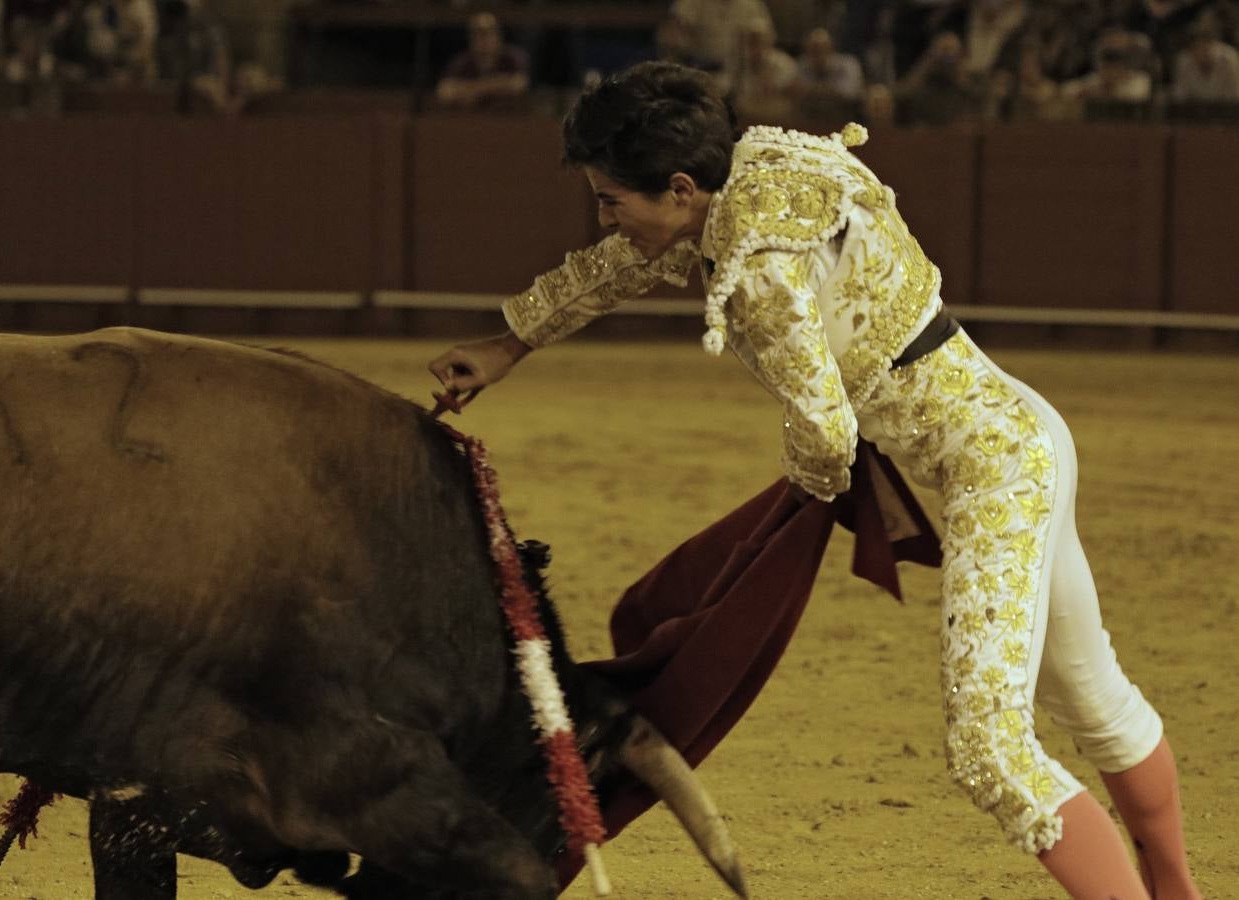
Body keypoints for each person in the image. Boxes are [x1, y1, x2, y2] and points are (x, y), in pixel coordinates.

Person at [428, 61, 1203, 899]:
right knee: (1089, 697)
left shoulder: (759, 269)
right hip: (1018, 432)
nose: (606, 217)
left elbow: (827, 433)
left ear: (682, 187)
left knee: (990, 751)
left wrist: (800, 495)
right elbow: (625, 262)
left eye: (612, 199)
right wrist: (511, 343)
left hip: (994, 473)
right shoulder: (758, 160)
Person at [434, 12, 528, 109]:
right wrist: (498, 85)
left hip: (507, 118)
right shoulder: (461, 62)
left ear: (499, 36)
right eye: (478, 34)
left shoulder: (513, 58)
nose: (484, 39)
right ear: (470, 38)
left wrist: (470, 91)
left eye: (489, 33)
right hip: (469, 119)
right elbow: (444, 92)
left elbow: (519, 85)